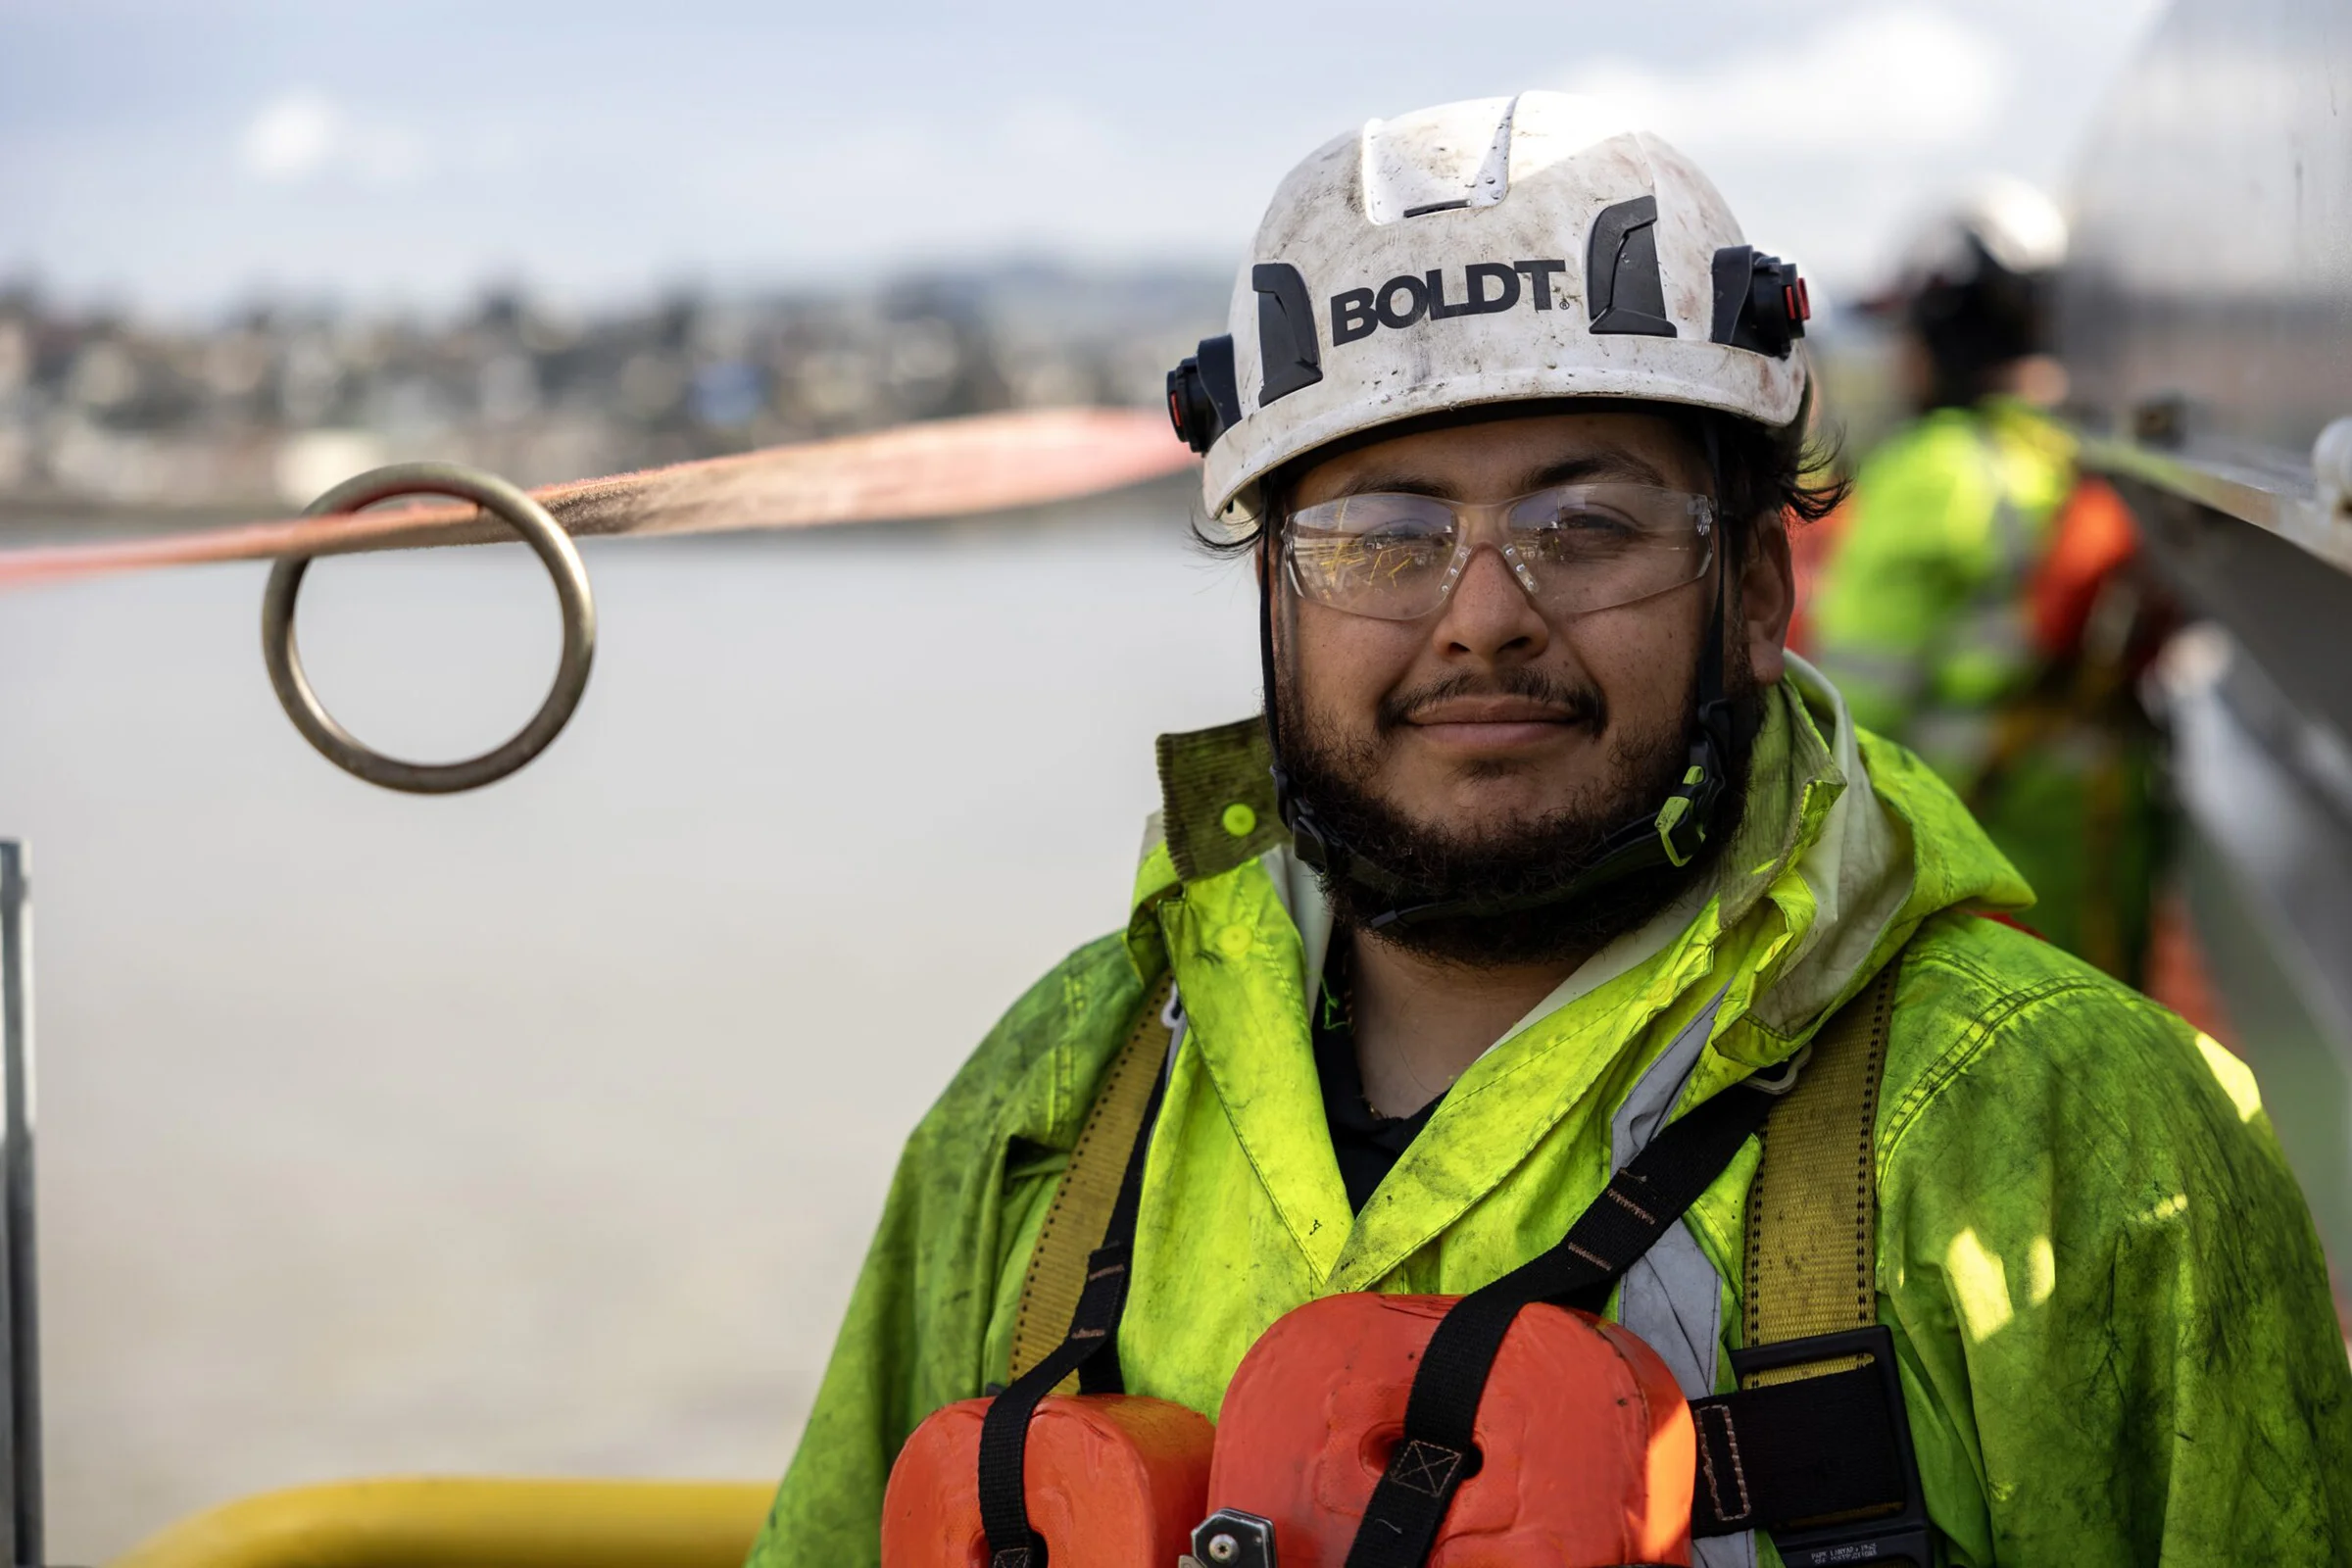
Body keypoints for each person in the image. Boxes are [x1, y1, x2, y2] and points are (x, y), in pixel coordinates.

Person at [749, 96, 2350, 1567]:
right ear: (1271, 595)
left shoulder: (2067, 1140)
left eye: (1587, 527)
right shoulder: (1053, 1107)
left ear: (1756, 596)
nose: (1483, 621)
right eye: (1380, 539)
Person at [1806, 183, 2168, 981]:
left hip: (1972, 885)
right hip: (2105, 859)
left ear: (1941, 336)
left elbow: (1848, 723)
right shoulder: (2095, 462)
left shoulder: (1934, 472)